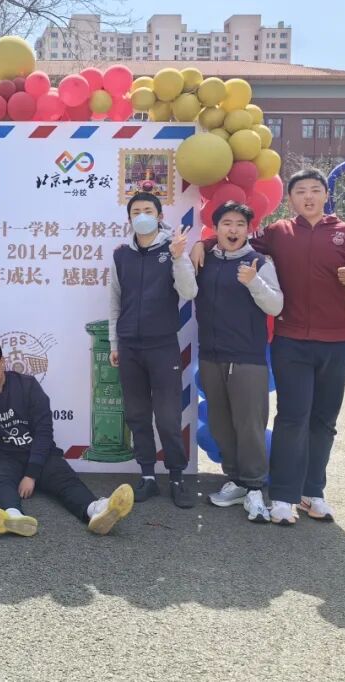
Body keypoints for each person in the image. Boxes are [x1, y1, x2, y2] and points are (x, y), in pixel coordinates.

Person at [191, 168, 345, 525]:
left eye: (315, 190)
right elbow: (236, 240)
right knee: (292, 419)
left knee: (324, 421)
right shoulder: (279, 232)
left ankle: (312, 492)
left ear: (326, 194)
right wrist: (202, 244)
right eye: (300, 191)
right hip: (291, 341)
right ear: (291, 199)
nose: (308, 197)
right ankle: (283, 496)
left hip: (337, 341)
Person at [0, 337, 134, 537]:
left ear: (2, 362)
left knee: (64, 478)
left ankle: (95, 510)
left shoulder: (27, 385)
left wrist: (31, 474)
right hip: (1, 456)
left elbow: (44, 430)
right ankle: (13, 517)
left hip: (37, 452)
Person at [177, 201, 283, 523]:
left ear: (248, 229)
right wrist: (184, 255)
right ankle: (236, 480)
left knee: (249, 425)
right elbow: (187, 290)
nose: (233, 230)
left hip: (247, 358)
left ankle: (254, 487)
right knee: (221, 425)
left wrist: (253, 281)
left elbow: (276, 306)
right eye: (226, 223)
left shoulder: (259, 262)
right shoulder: (204, 258)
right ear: (216, 228)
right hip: (211, 357)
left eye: (239, 224)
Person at [108, 192, 198, 508]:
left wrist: (179, 257)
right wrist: (115, 343)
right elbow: (115, 301)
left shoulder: (171, 249)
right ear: (129, 218)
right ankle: (147, 476)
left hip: (162, 346)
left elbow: (189, 291)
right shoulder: (121, 255)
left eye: (148, 210)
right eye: (136, 211)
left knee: (169, 417)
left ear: (159, 216)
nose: (142, 215)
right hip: (129, 347)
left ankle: (177, 477)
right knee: (137, 415)